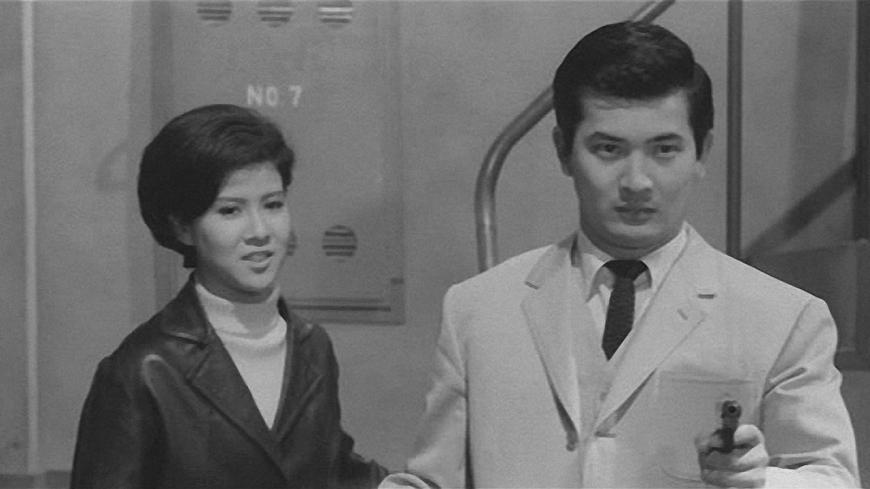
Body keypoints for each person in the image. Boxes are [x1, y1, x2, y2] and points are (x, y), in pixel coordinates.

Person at [382, 21, 859, 488]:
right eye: (609, 149)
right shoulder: (478, 310)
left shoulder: (783, 318)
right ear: (564, 152)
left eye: (664, 150)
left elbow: (831, 478)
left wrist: (761, 480)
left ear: (702, 153)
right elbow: (432, 479)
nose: (636, 181)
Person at [71, 104, 388, 489]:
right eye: (230, 211)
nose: (260, 231)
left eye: (273, 205)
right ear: (182, 227)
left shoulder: (312, 347)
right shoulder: (143, 370)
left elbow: (333, 470)